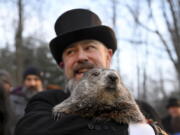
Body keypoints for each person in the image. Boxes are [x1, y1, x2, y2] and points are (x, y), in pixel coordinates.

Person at [15, 9, 166, 135]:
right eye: (70, 52)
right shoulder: (47, 101)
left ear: (108, 56)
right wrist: (128, 130)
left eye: (89, 48)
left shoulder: (144, 108)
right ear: (63, 65)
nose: (81, 57)